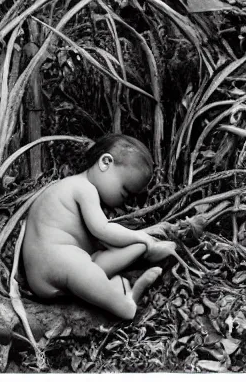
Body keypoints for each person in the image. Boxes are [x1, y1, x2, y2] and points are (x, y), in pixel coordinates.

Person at [22, 134, 176, 319]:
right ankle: (124, 305)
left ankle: (131, 273)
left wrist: (141, 243)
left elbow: (101, 241)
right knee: (85, 268)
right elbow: (102, 230)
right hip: (53, 264)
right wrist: (140, 235)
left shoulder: (83, 190)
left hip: (70, 266)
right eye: (124, 191)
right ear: (105, 163)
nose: (124, 202)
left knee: (124, 250)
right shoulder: (83, 188)